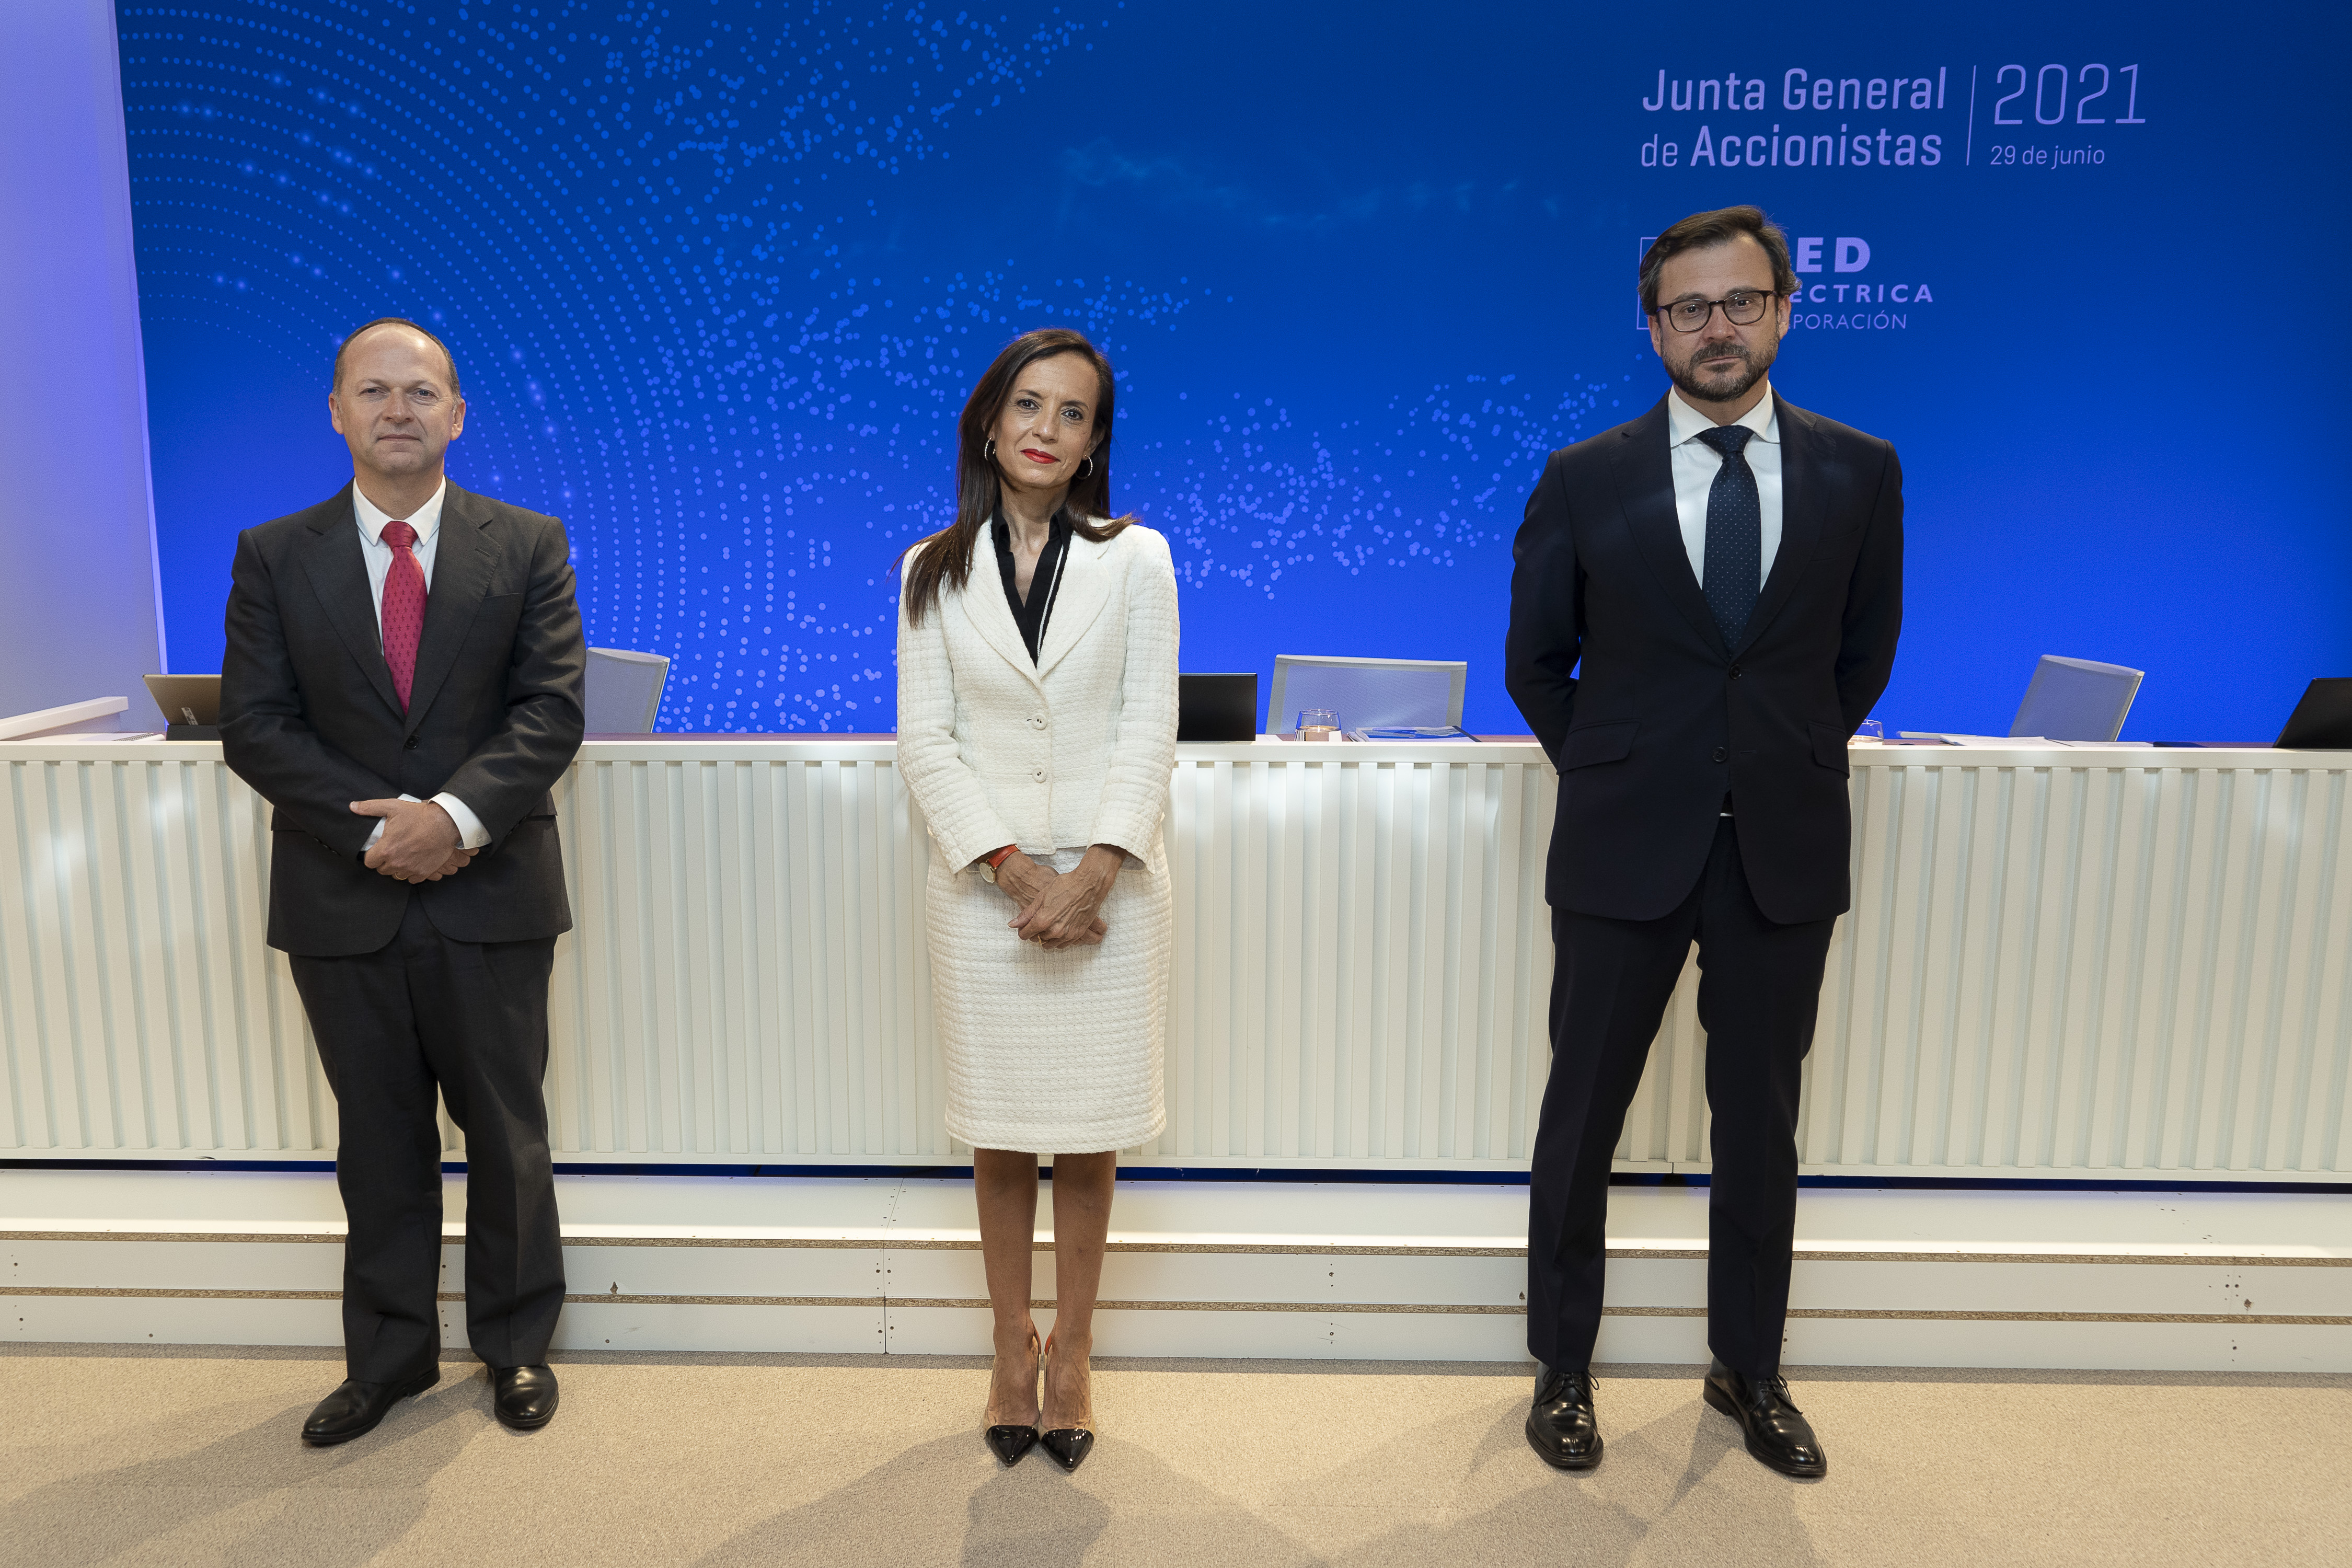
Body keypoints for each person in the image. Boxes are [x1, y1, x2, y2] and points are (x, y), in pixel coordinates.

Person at [1504, 206, 1903, 1479]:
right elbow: (1536, 664)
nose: (1716, 328)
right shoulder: (1584, 477)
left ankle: (1750, 1370)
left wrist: (1771, 756)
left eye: (1740, 302)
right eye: (1689, 308)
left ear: (1784, 308)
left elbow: (1861, 657)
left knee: (1761, 1125)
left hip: (1783, 846)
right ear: (1654, 327)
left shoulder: (1861, 471)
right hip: (1622, 846)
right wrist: (1622, 766)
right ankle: (1563, 1368)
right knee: (1582, 1116)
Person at [221, 317, 586, 1445]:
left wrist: (455, 819)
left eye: (420, 393)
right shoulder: (273, 554)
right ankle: (387, 1361)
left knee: (507, 1134)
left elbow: (550, 711)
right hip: (343, 896)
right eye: (373, 391)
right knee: (377, 1141)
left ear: (456, 416)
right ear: (336, 411)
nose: (397, 410)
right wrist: (386, 834)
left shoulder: (527, 544)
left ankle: (516, 1347)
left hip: (493, 890)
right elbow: (255, 727)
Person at [895, 327, 1179, 1473]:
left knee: (1092, 1134)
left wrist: (1094, 870)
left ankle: (1076, 1354)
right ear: (988, 421)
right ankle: (1010, 1348)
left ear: (1095, 440)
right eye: (1028, 404)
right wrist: (1016, 870)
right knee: (1003, 1132)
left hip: (1114, 889)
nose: (1046, 429)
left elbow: (1148, 724)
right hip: (985, 893)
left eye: (1073, 413)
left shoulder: (1138, 557)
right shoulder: (930, 566)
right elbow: (927, 743)